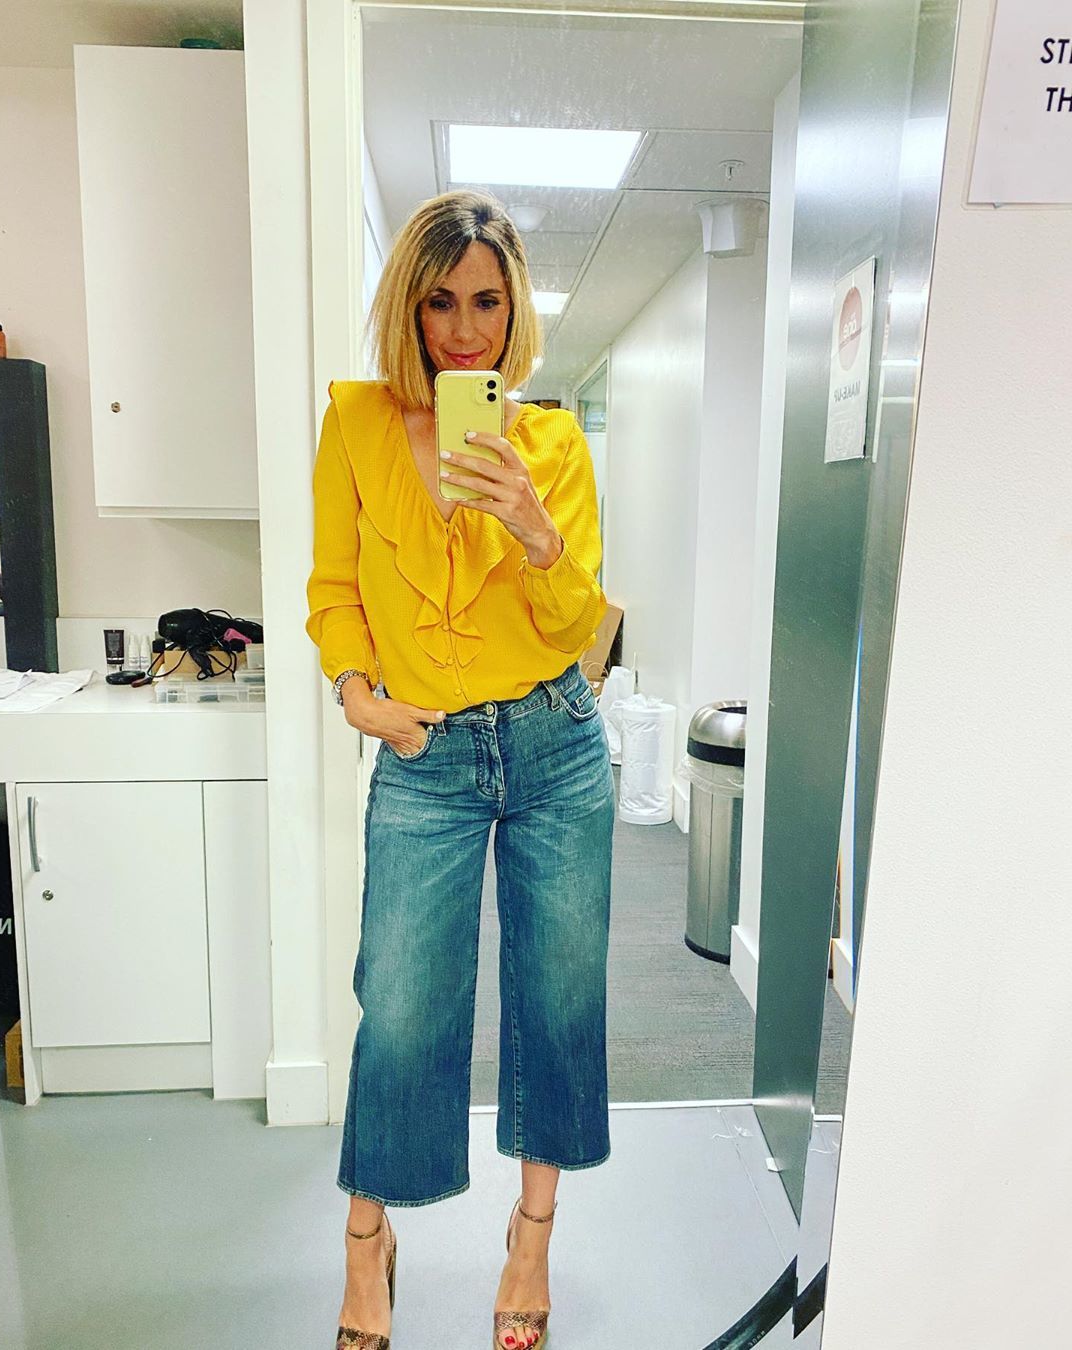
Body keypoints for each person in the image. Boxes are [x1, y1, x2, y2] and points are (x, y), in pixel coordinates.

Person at [306, 188, 615, 1350]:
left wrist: (534, 528)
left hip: (553, 741)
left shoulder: (554, 445)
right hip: (423, 750)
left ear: (515, 307)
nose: (465, 330)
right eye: (440, 303)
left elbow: (574, 622)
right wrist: (357, 692)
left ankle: (531, 1237)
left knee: (558, 999)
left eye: (487, 301)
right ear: (410, 308)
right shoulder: (355, 424)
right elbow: (334, 587)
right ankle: (366, 1241)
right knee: (399, 1006)